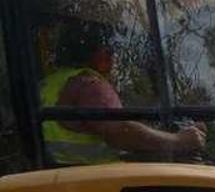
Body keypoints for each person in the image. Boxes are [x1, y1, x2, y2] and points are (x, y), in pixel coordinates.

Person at [41, 20, 204, 165]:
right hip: (95, 183)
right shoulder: (90, 85)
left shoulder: (50, 82)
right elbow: (120, 132)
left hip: (62, 177)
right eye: (111, 50)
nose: (113, 58)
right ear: (101, 54)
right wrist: (178, 141)